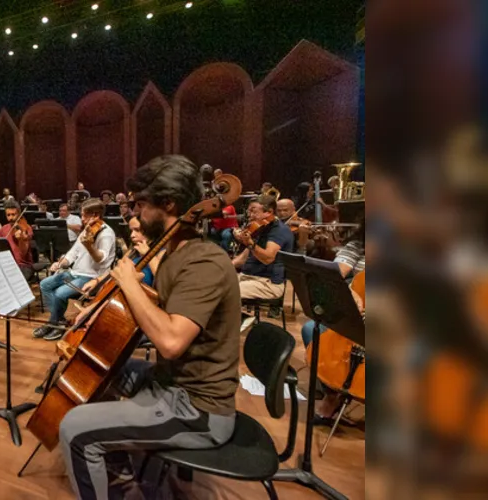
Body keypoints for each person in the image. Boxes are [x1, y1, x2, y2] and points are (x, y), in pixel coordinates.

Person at [58, 155, 240, 500]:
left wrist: (127, 281)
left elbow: (170, 341)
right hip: (172, 383)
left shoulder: (204, 261)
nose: (135, 214)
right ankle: (121, 460)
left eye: (141, 204)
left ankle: (103, 451)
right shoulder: (177, 254)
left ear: (169, 203)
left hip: (198, 409)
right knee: (104, 370)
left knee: (73, 430)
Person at [34, 198, 115, 341]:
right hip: (74, 273)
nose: (82, 219)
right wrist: (61, 263)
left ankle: (54, 324)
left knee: (59, 293)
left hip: (92, 277)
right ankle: (57, 322)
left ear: (96, 215)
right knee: (45, 284)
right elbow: (73, 253)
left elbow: (101, 259)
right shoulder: (86, 231)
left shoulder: (106, 233)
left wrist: (90, 246)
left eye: (84, 215)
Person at [232, 195, 294, 304]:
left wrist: (250, 243)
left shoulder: (279, 231)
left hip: (268, 283)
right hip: (248, 277)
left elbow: (268, 258)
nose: (250, 216)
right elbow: (243, 258)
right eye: (249, 212)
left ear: (268, 212)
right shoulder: (260, 228)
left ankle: (240, 320)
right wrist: (223, 267)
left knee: (226, 293)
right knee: (214, 285)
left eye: (254, 212)